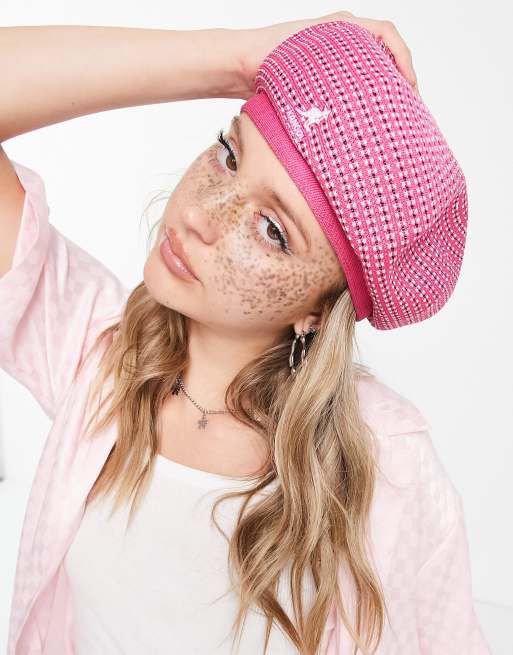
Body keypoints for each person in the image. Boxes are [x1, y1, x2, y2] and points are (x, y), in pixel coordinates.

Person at [0, 13, 490, 655]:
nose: (202, 215)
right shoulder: (97, 354)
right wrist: (240, 60)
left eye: (272, 230)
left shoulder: (388, 468)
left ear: (319, 310)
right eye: (229, 154)